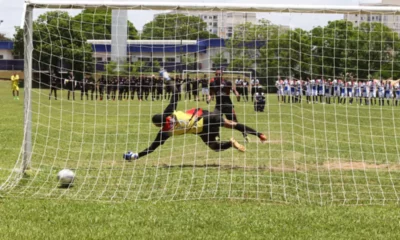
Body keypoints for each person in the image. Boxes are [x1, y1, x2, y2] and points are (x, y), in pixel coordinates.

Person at [123, 87, 267, 160]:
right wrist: (172, 84)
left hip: (201, 130)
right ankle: (259, 135)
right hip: (206, 116)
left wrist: (137, 155)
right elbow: (175, 98)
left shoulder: (164, 132)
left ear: (158, 125)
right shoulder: (169, 113)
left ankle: (230, 143)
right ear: (163, 116)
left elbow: (151, 148)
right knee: (232, 124)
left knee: (215, 147)